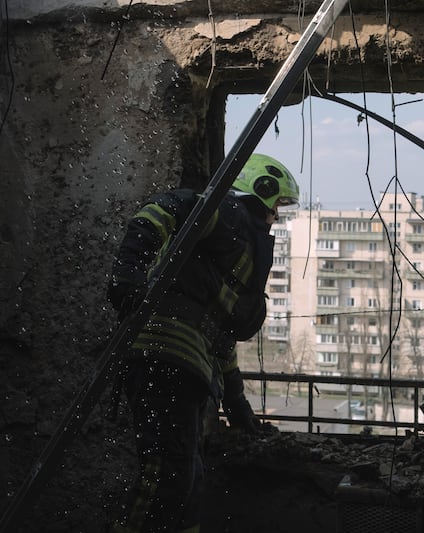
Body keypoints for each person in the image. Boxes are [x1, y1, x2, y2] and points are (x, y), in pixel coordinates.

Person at [106, 153, 299, 533]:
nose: (276, 215)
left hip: (186, 368)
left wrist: (239, 407)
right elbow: (167, 208)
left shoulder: (228, 259)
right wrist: (128, 272)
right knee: (165, 479)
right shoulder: (230, 216)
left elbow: (219, 340)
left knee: (187, 483)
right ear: (260, 191)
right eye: (277, 204)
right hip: (164, 357)